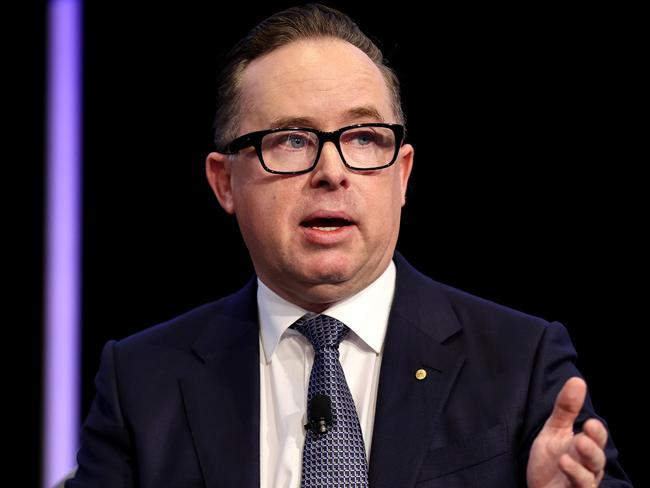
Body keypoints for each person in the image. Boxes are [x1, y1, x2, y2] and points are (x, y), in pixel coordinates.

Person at [67, 4, 632, 487]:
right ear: (224, 182)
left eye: (363, 138)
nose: (332, 171)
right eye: (291, 140)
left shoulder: (522, 360)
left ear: (402, 174)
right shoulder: (141, 380)